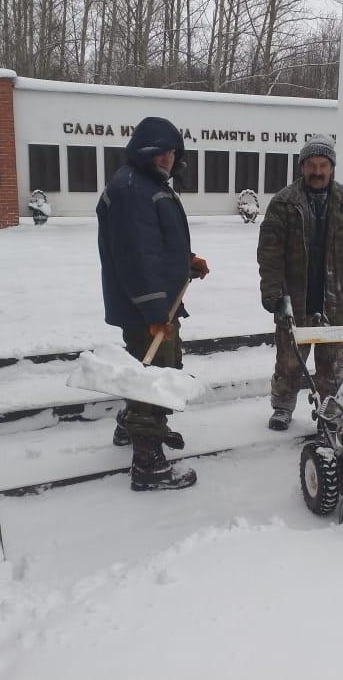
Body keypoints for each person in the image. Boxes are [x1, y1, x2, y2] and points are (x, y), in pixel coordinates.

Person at [97, 116, 210, 491]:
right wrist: (154, 313)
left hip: (154, 303)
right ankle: (149, 464)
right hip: (147, 307)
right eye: (161, 150)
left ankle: (128, 429)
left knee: (144, 368)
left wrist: (186, 261)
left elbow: (156, 243)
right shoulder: (133, 189)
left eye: (173, 151)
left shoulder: (144, 183)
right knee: (156, 377)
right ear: (145, 150)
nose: (167, 157)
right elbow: (136, 257)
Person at [257, 134, 343, 430]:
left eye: (323, 164)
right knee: (288, 361)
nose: (317, 171)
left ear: (332, 167)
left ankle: (330, 408)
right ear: (302, 167)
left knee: (333, 363)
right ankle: (282, 406)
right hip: (295, 298)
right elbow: (269, 254)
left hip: (339, 297)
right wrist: (273, 293)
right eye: (311, 164)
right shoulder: (284, 203)